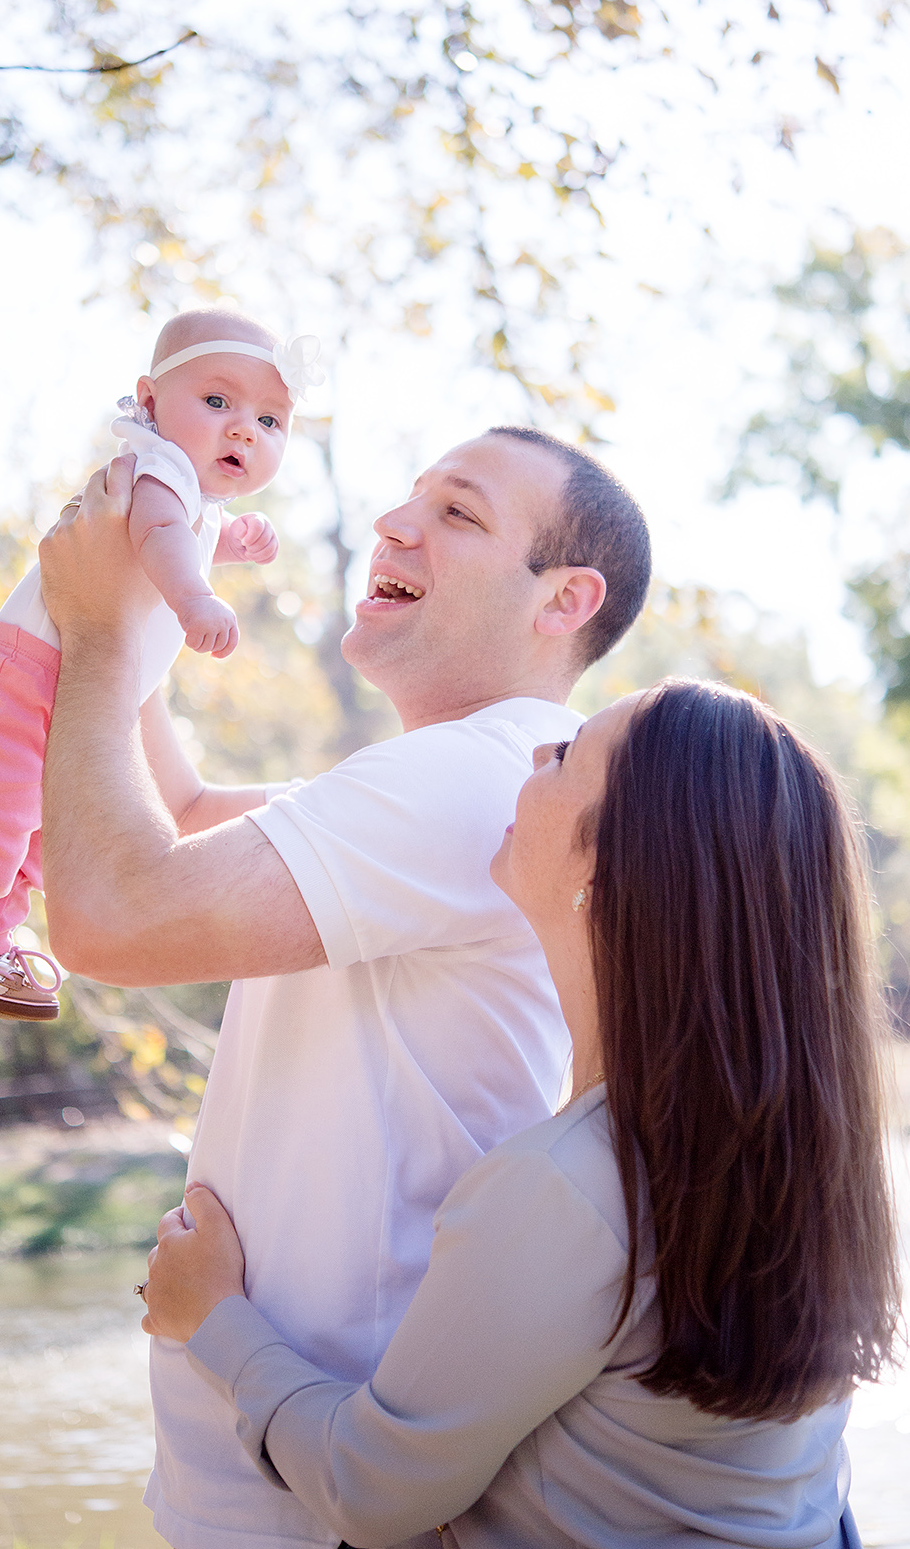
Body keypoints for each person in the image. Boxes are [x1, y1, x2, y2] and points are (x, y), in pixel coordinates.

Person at [36, 425, 652, 1549]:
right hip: (288, 1473)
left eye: (458, 512)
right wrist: (130, 604)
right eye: (411, 495)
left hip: (323, 1488)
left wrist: (94, 631)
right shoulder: (464, 770)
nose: (393, 523)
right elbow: (178, 816)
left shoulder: (477, 775)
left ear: (564, 599)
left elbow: (110, 916)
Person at [141, 679, 901, 1549]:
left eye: (567, 756)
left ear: (604, 870)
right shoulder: (795, 1161)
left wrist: (213, 1314)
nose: (536, 752)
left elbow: (369, 1486)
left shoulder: (566, 1187)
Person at [0, 307, 320, 1057]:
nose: (244, 431)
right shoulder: (157, 471)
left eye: (270, 420)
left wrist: (230, 540)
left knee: (30, 847)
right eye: (218, 401)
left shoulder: (189, 500)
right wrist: (196, 596)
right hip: (13, 690)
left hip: (58, 701)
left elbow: (181, 534)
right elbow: (159, 535)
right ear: (151, 401)